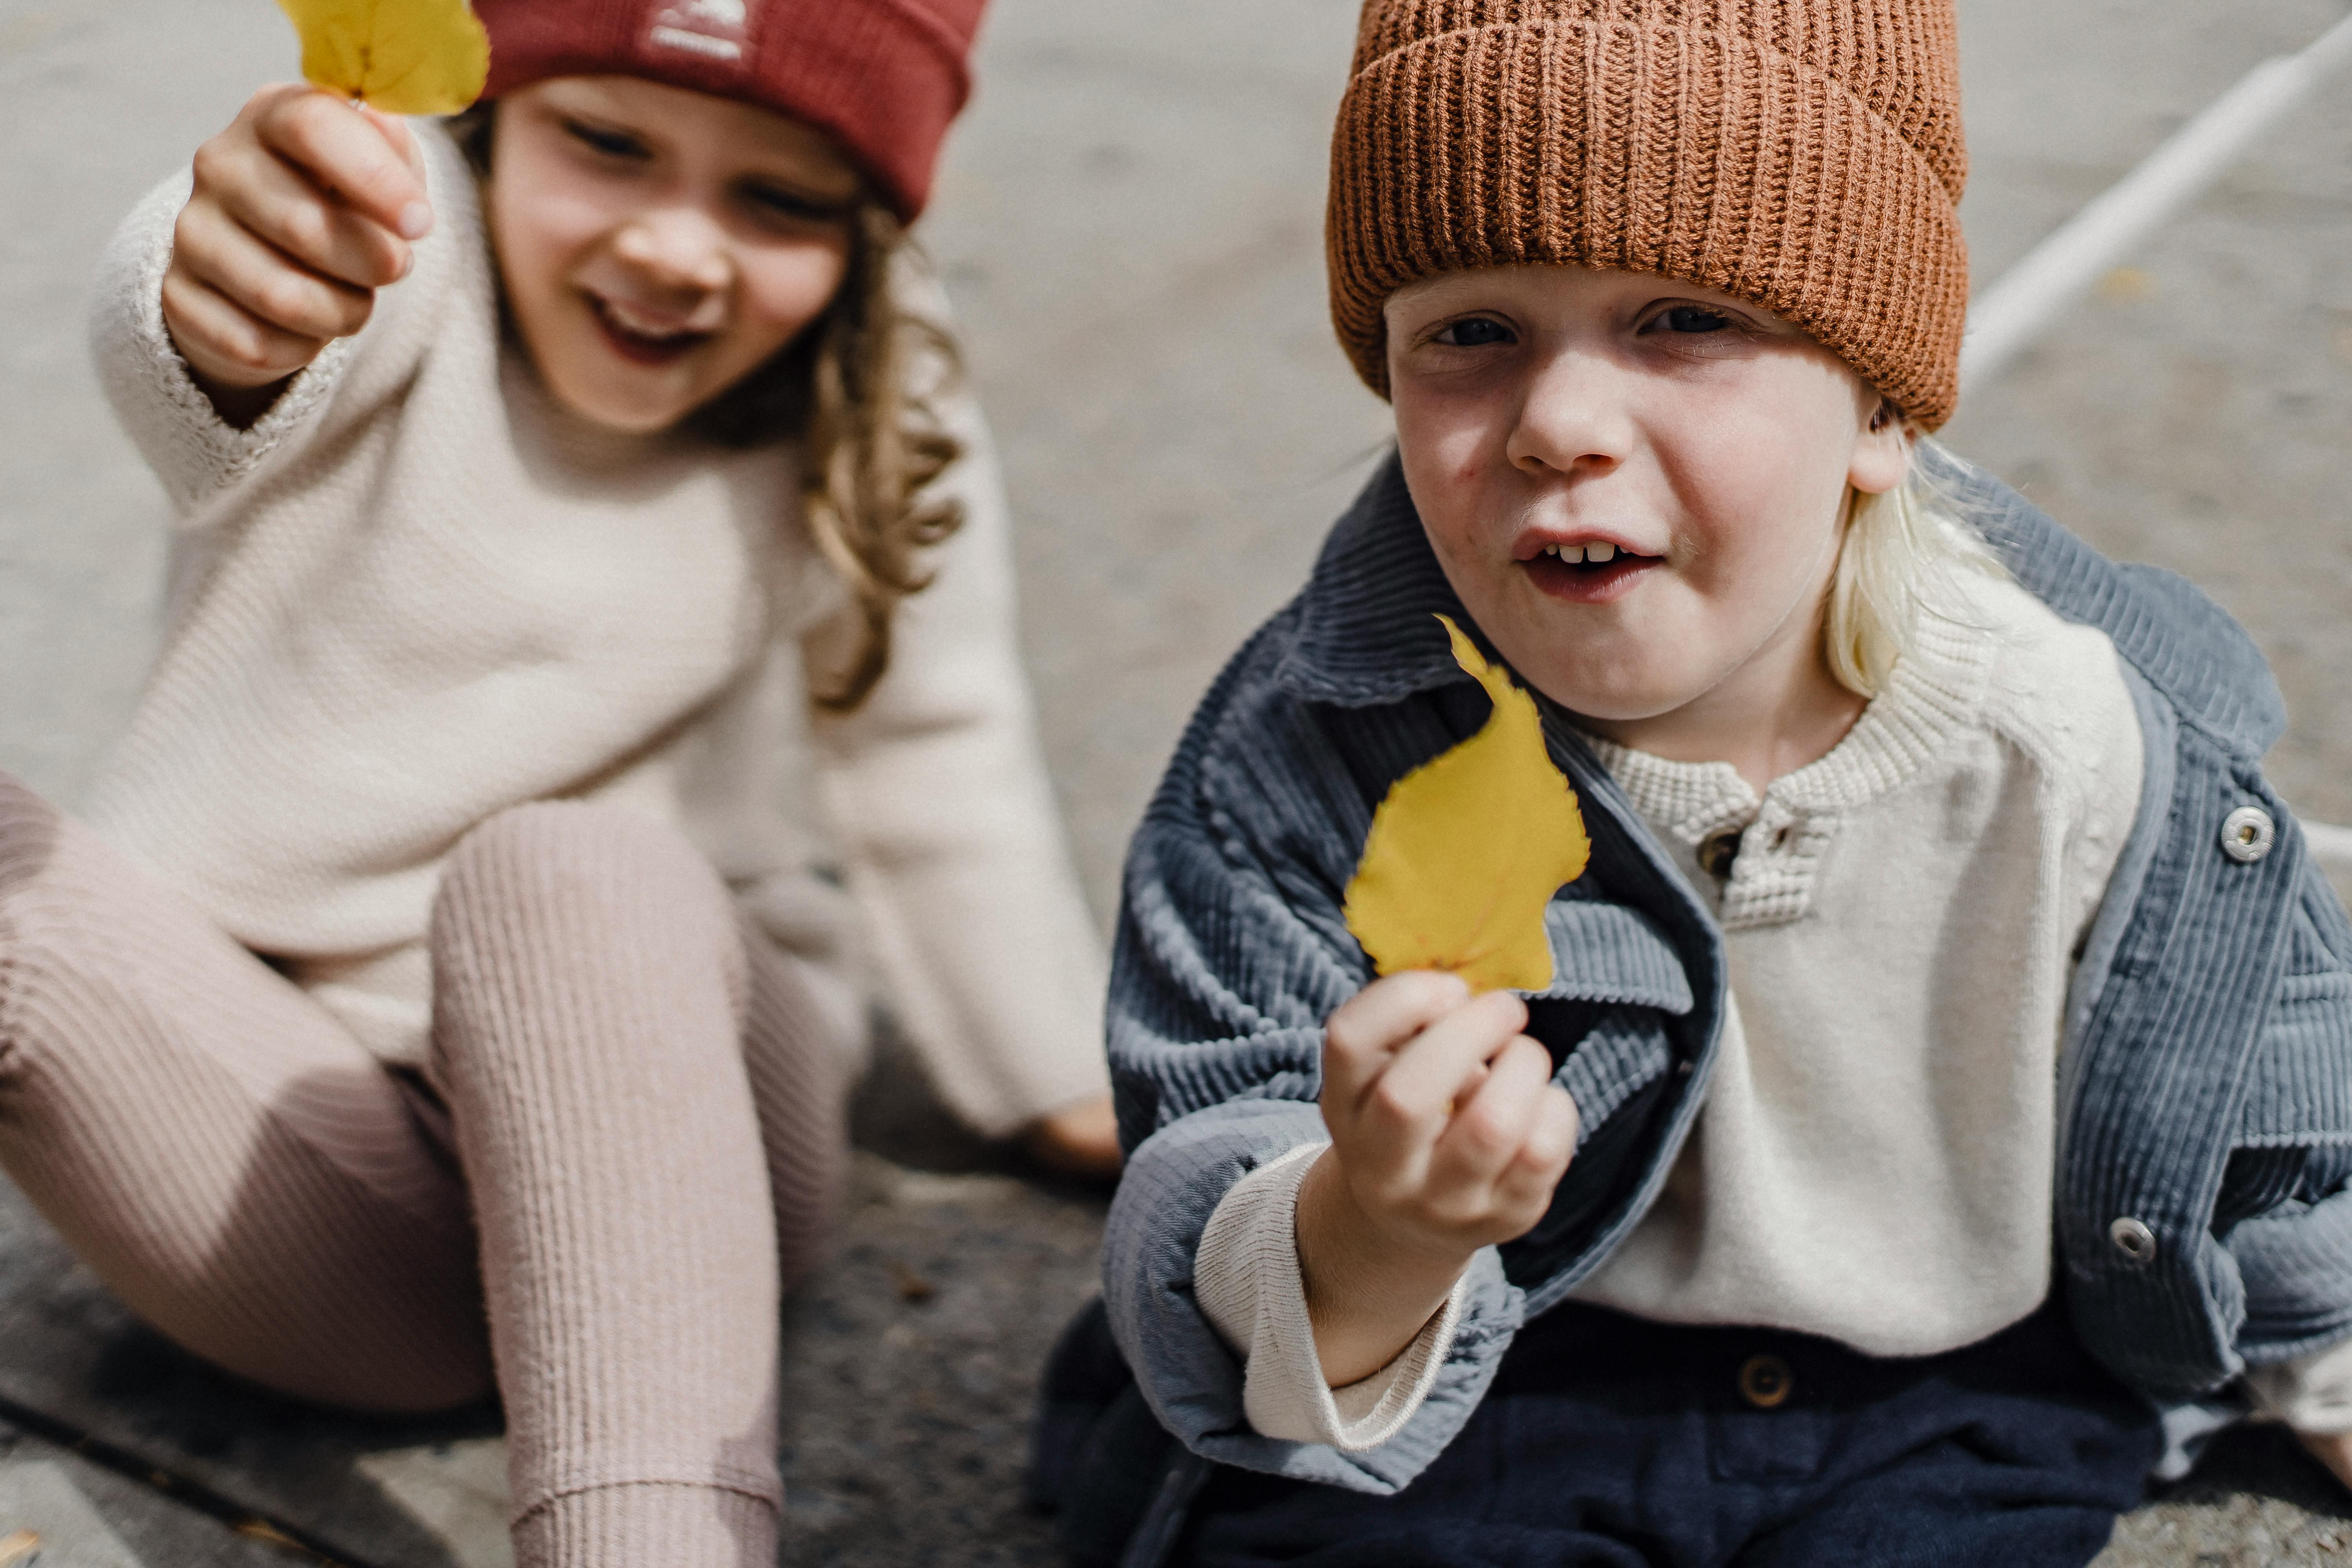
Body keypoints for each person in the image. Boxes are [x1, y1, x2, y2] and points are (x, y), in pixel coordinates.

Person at [1033, 0, 2352, 1562]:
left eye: (1682, 321)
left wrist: (2320, 1355)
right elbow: (1215, 1147)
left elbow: (2260, 1096)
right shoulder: (1312, 755)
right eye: (1471, 333)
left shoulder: (2081, 733)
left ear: (1881, 405)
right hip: (1494, 1372)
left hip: (1945, 1390)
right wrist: (1372, 1234)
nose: (1558, 425)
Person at [0, 0, 1118, 1562]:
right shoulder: (406, 242)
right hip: (321, 1192)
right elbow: (208, 330)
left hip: (692, 1149)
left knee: (561, 865)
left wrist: (1060, 1078)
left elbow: (939, 746)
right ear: (494, 121)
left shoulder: (880, 375)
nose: (676, 247)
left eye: (781, 198)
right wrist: (217, 279)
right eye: (607, 142)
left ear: (864, 233)